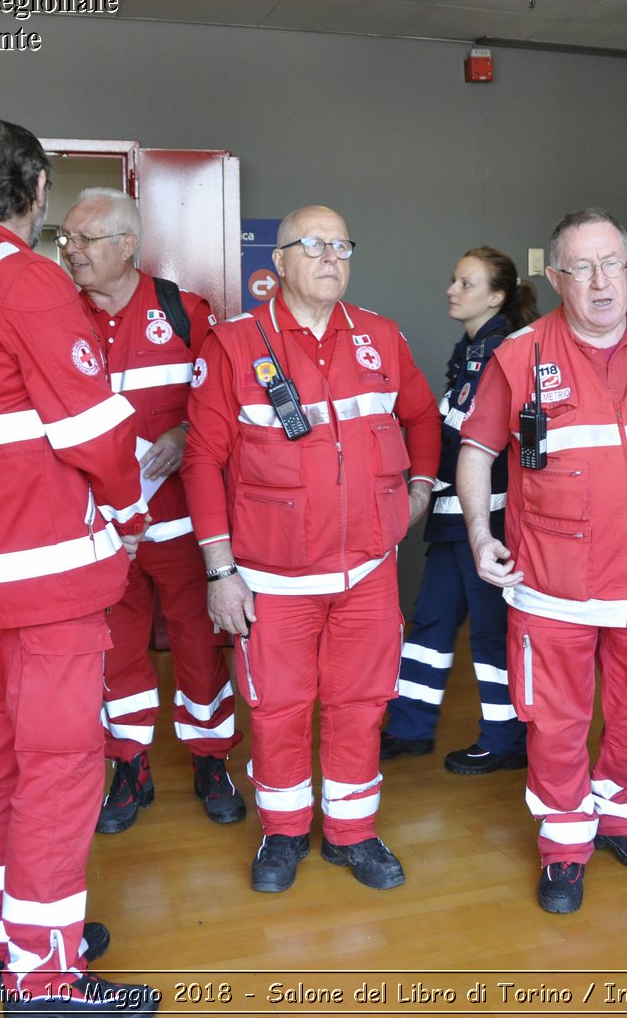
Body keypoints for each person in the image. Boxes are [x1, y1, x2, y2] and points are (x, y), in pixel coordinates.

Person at [0, 117, 158, 1016]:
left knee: (4, 760)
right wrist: (130, 515)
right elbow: (95, 430)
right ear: (38, 187)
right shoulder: (25, 280)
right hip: (37, 574)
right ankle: (46, 978)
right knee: (59, 765)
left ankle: (8, 938)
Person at [182, 205, 441, 894]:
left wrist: (420, 488)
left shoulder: (381, 337)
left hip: (367, 574)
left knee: (360, 703)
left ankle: (352, 832)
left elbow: (421, 415)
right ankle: (284, 831)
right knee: (278, 708)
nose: (331, 256)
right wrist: (219, 570)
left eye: (342, 245)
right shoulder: (235, 345)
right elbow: (201, 462)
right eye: (314, 244)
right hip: (271, 580)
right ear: (279, 263)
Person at [456, 208, 627, 914]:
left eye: (611, 264)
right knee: (558, 723)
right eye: (581, 267)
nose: (599, 282)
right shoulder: (520, 355)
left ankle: (618, 814)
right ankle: (565, 845)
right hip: (550, 590)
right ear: (556, 276)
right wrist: (480, 533)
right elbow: (475, 450)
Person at [59, 187, 244, 834]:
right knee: (118, 650)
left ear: (125, 244)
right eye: (68, 239)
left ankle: (210, 756)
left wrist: (188, 433)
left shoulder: (184, 311)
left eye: (83, 240)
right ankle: (131, 763)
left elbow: (226, 402)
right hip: (102, 531)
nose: (71, 251)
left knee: (198, 642)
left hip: (185, 525)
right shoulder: (56, 315)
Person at [381, 248, 534, 775]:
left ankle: (506, 738)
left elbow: (465, 437)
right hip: (454, 515)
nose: (452, 289)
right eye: (453, 280)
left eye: (466, 284)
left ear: (496, 297)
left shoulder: (501, 350)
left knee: (491, 630)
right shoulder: (472, 349)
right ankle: (409, 726)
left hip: (486, 519)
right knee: (431, 620)